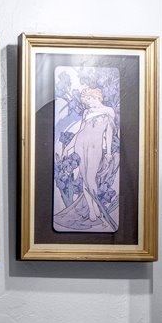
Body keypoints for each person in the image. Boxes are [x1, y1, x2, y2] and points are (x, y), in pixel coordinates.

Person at [58, 82, 118, 230]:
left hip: (95, 147)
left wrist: (109, 152)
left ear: (95, 97)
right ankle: (94, 210)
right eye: (85, 102)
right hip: (80, 144)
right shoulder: (86, 113)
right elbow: (80, 131)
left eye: (88, 100)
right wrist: (68, 148)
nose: (87, 104)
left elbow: (109, 133)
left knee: (91, 178)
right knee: (85, 179)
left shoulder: (108, 111)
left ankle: (95, 209)